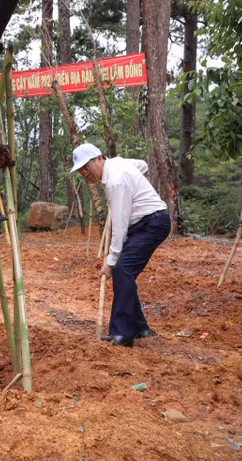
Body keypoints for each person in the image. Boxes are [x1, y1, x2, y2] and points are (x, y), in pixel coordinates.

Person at [71, 143, 170, 347]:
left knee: (122, 270)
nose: (84, 174)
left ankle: (123, 334)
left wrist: (111, 260)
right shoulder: (118, 164)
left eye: (86, 168)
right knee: (125, 274)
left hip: (151, 223)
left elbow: (120, 225)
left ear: (99, 158)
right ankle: (140, 327)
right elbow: (142, 165)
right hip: (145, 223)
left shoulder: (115, 180)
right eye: (80, 171)